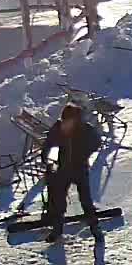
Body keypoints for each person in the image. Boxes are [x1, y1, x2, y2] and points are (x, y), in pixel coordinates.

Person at [41, 104, 104, 242]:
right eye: (65, 120)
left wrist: (84, 153)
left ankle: (95, 228)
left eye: (69, 120)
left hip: (79, 169)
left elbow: (97, 141)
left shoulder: (84, 129)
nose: (66, 123)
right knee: (58, 201)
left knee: (86, 200)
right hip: (63, 169)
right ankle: (57, 231)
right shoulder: (58, 128)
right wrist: (46, 157)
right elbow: (48, 144)